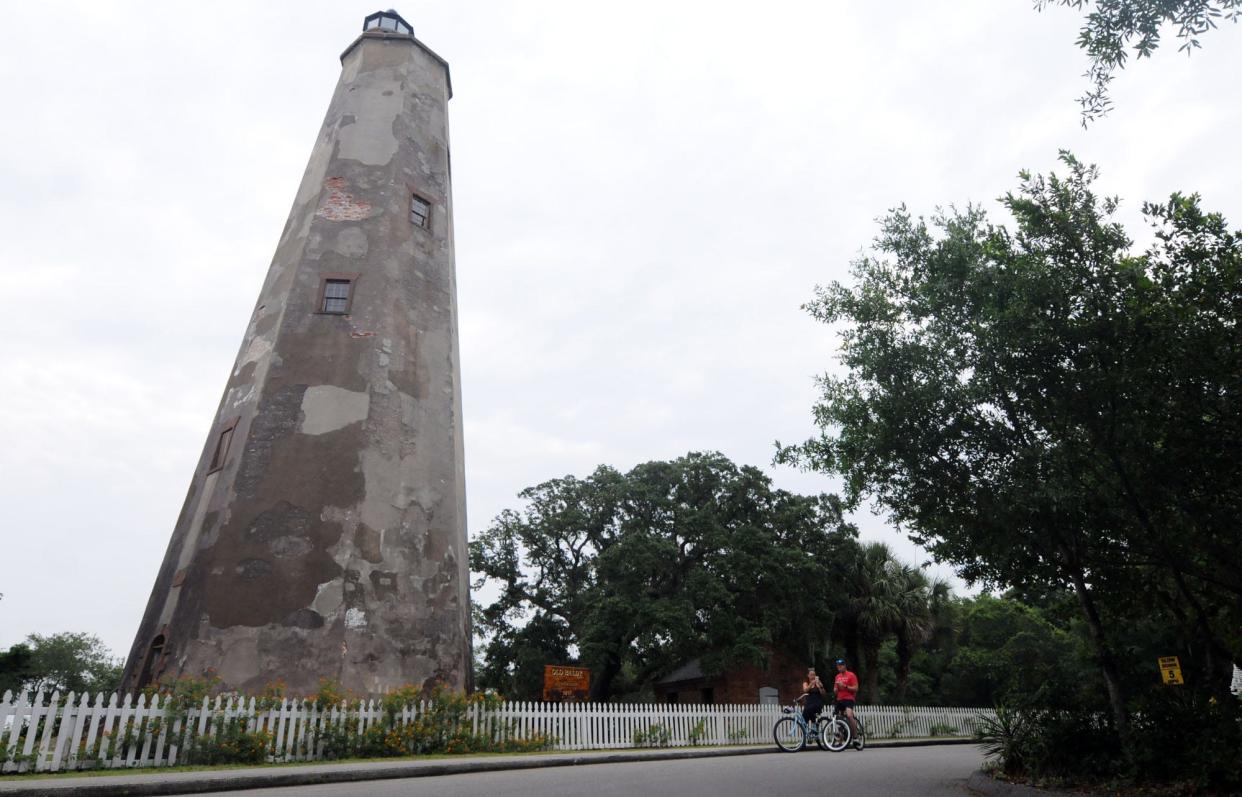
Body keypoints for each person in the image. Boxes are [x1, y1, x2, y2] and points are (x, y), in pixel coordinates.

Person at [833, 658, 861, 749]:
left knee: (849, 715)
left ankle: (855, 737)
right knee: (837, 718)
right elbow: (835, 691)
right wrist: (836, 689)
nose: (839, 667)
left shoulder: (851, 675)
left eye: (841, 665)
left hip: (849, 698)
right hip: (839, 699)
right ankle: (840, 740)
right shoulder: (837, 676)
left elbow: (856, 688)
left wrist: (845, 686)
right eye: (838, 666)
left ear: (845, 666)